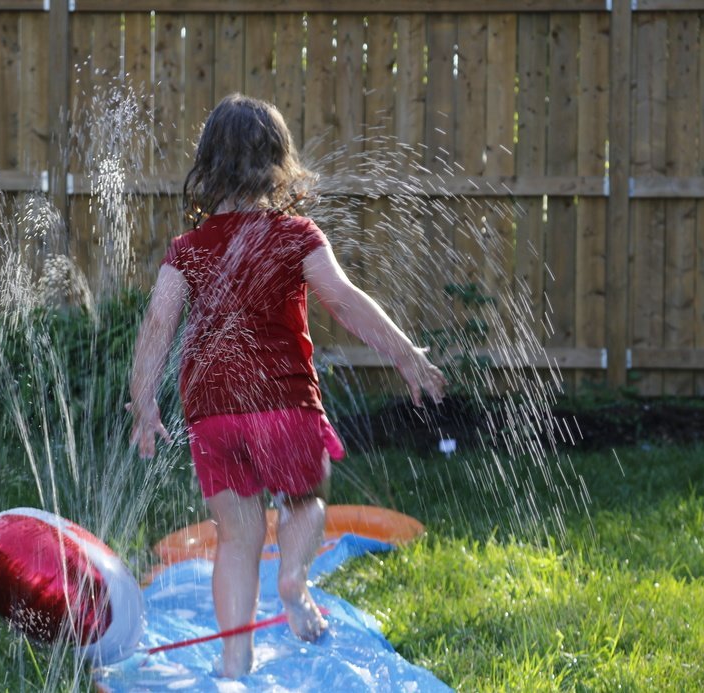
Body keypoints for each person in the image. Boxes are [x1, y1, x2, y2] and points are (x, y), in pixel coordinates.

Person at [128, 94, 446, 679]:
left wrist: (145, 401)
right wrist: (406, 355)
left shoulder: (187, 249)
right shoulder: (296, 235)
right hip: (284, 407)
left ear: (208, 166)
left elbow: (156, 325)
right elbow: (345, 302)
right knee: (306, 501)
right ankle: (294, 580)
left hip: (213, 415)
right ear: (278, 164)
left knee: (236, 537)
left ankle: (233, 663)